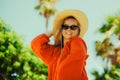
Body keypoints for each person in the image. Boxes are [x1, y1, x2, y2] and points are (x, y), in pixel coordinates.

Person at [31, 9, 89, 80]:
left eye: (73, 27)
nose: (69, 29)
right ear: (61, 29)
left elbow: (71, 64)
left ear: (78, 31)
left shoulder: (78, 42)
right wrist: (54, 31)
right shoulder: (54, 52)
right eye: (65, 27)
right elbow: (36, 44)